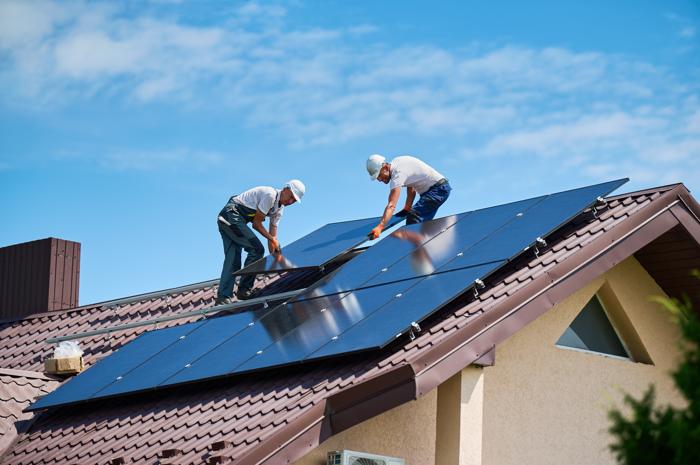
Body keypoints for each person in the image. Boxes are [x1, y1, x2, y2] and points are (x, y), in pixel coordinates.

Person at [215, 180, 305, 305]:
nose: (290, 202)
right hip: (231, 216)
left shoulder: (279, 209)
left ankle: (223, 297)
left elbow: (273, 235)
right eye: (291, 197)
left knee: (233, 259)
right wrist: (272, 239)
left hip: (231, 220)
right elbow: (256, 224)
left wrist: (276, 257)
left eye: (294, 201)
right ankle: (244, 290)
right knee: (256, 250)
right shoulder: (270, 195)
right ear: (286, 189)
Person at [366, 154, 451, 239]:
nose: (380, 180)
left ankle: (411, 248)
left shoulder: (398, 174)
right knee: (420, 224)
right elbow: (411, 188)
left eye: (379, 175)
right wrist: (407, 208)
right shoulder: (397, 162)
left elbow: (391, 205)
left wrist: (380, 226)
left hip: (438, 190)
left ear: (384, 167)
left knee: (414, 217)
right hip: (437, 190)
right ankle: (424, 243)